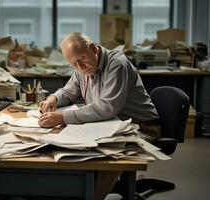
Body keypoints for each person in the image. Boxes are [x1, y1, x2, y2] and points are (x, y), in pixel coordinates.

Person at [38, 32, 160, 200]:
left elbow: (106, 108)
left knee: (107, 156)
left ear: (93, 49)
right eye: (73, 64)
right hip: (111, 123)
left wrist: (62, 117)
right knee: (72, 150)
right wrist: (54, 98)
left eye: (81, 60)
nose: (79, 67)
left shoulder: (117, 65)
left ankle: (93, 195)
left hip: (141, 126)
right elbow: (69, 91)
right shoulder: (80, 64)